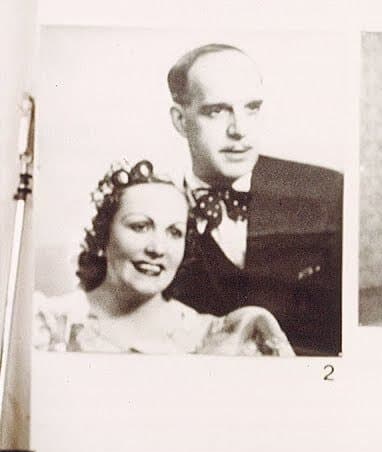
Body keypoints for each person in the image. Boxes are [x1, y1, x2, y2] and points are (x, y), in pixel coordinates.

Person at [164, 43, 344, 357]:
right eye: (216, 111)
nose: (240, 130)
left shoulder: (326, 191)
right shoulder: (156, 214)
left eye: (252, 108)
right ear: (180, 121)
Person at [34, 160, 293, 355]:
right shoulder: (48, 323)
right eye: (140, 227)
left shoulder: (221, 337)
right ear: (103, 235)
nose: (158, 248)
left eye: (174, 232)